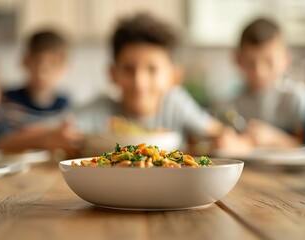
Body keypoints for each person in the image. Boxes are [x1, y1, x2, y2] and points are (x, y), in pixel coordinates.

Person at [74, 13, 240, 150]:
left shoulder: (176, 104)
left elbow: (217, 131)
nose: (139, 82)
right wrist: (54, 137)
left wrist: (226, 139)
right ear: (112, 73)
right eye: (129, 69)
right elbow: (58, 129)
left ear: (175, 77)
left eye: (152, 70)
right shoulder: (101, 109)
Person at [226, 18, 305, 148]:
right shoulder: (228, 104)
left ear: (286, 60)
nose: (260, 71)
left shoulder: (296, 97)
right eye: (251, 62)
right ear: (238, 60)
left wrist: (274, 138)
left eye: (269, 62)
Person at [2, 30, 69, 128]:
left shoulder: (65, 107)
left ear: (63, 68)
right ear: (25, 62)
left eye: (52, 65)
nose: (42, 73)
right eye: (37, 63)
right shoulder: (7, 102)